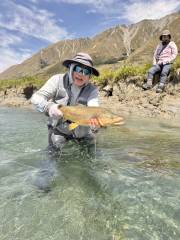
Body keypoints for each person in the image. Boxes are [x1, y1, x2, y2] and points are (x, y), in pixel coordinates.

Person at [31, 52, 101, 154]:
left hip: (82, 133)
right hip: (58, 130)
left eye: (86, 71)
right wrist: (49, 107)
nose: (81, 73)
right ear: (71, 68)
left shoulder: (93, 90)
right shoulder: (56, 80)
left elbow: (94, 107)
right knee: (54, 159)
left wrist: (96, 122)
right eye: (78, 69)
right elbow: (35, 98)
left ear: (89, 76)